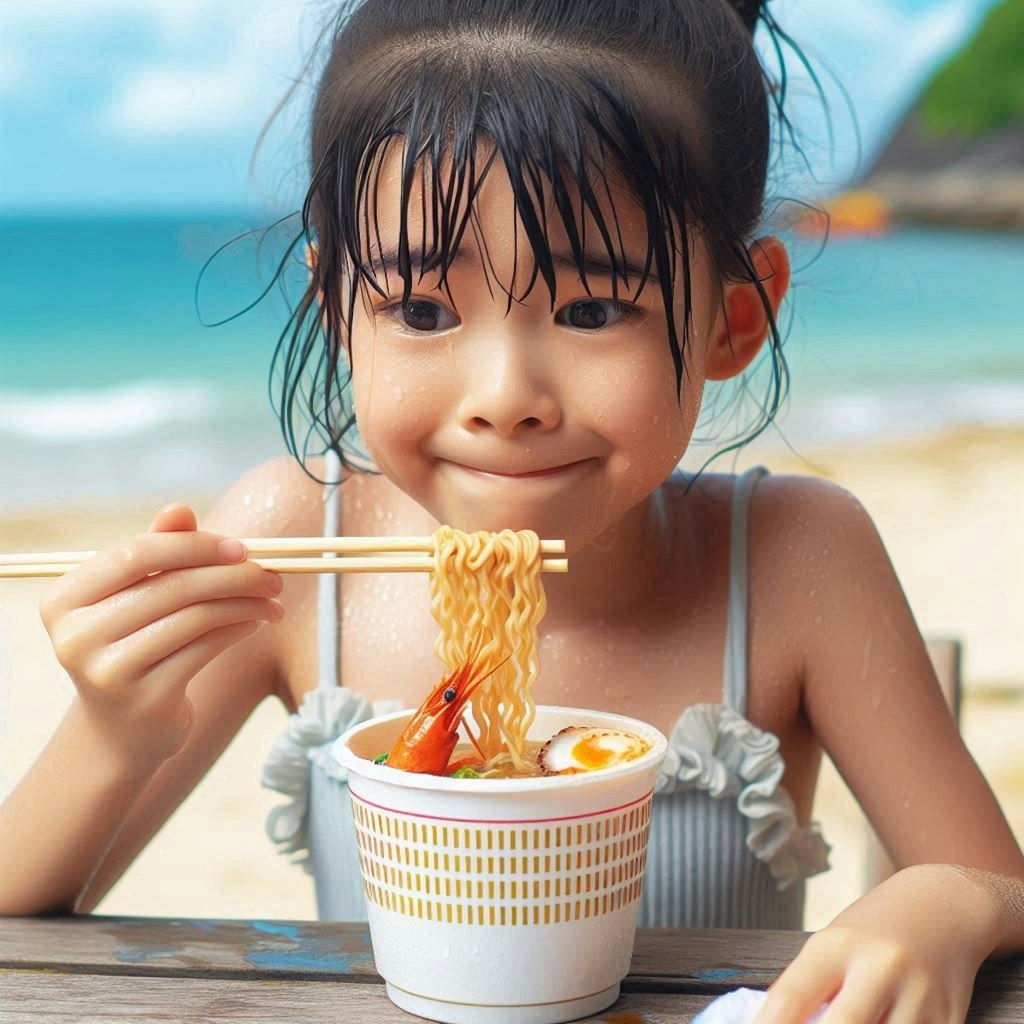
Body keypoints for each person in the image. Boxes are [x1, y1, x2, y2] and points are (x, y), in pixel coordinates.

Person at [2, 1, 1022, 1021]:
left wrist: (939, 899)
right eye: (420, 311)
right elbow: (20, 909)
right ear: (337, 314)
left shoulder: (799, 560)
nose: (505, 393)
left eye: (590, 311)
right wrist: (114, 725)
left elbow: (999, 889)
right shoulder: (301, 547)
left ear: (732, 316)